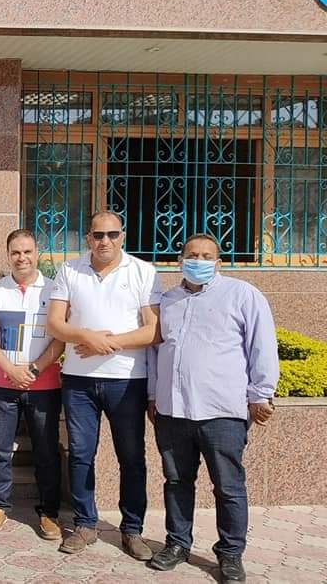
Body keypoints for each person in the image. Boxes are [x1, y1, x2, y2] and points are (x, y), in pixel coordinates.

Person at [147, 234, 279, 584]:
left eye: (207, 256)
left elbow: (262, 345)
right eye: (192, 255)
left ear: (218, 262)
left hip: (222, 411)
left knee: (228, 486)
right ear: (180, 261)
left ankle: (231, 553)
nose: (199, 260)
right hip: (173, 411)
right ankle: (177, 544)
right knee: (177, 481)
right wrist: (153, 394)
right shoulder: (167, 301)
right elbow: (155, 351)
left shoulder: (242, 295)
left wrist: (261, 394)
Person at [46, 211, 161, 560]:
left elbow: (153, 330)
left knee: (132, 457)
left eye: (112, 234)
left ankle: (132, 530)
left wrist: (107, 343)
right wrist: (86, 336)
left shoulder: (143, 271)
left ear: (122, 236)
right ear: (88, 238)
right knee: (81, 454)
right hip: (79, 381)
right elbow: (55, 323)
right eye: (98, 235)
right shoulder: (70, 270)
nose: (105, 241)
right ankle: (85, 524)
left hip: (127, 381)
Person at [0, 229, 65, 538]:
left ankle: (49, 512)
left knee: (46, 451)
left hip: (45, 385)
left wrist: (34, 368)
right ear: (8, 255)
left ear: (36, 253)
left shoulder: (54, 290)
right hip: (2, 385)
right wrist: (11, 371)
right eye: (15, 252)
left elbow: (60, 338)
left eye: (27, 251)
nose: (22, 258)